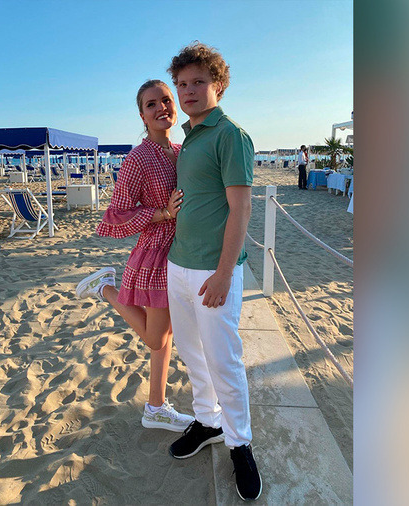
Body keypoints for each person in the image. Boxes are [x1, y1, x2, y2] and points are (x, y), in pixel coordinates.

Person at [165, 42, 262, 501]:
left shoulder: (230, 135)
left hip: (212, 271)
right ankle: (207, 421)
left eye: (198, 82)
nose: (188, 90)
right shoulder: (189, 138)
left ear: (218, 85)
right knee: (192, 353)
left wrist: (224, 273)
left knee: (224, 360)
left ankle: (240, 444)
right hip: (178, 265)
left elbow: (241, 208)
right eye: (182, 83)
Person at [75, 79, 194, 433]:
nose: (161, 108)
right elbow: (116, 215)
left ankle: (156, 407)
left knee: (166, 335)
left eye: (166, 100)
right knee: (156, 338)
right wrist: (162, 213)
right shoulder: (137, 159)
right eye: (151, 104)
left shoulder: (181, 150)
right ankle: (105, 289)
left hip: (182, 251)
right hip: (156, 255)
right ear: (142, 115)